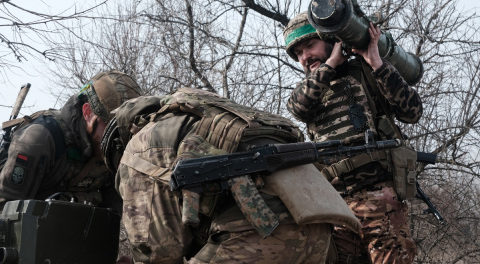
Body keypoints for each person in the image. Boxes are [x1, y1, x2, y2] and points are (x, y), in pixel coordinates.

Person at [102, 88, 362, 264]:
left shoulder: (140, 147)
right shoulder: (209, 116)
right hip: (320, 237)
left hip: (259, 239)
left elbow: (159, 252)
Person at [283, 12, 423, 263]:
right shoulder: (309, 91)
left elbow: (412, 112)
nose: (305, 57)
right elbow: (299, 108)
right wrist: (330, 64)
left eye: (309, 46)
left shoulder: (367, 72)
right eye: (298, 54)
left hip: (378, 197)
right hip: (334, 204)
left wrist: (378, 65)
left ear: (330, 41)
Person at [0, 70, 143, 212]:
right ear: (88, 113)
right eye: (111, 126)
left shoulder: (116, 149)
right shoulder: (39, 139)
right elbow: (6, 211)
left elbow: (115, 215)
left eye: (126, 129)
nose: (119, 138)